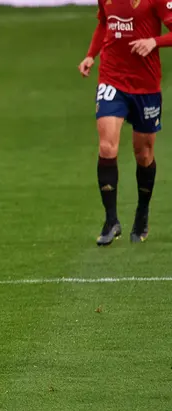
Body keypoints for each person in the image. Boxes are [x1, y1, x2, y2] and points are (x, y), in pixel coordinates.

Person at [78, 0, 172, 245]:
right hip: (111, 80)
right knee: (107, 147)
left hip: (146, 87)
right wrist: (91, 55)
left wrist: (154, 41)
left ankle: (142, 214)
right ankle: (111, 221)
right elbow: (103, 24)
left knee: (144, 155)